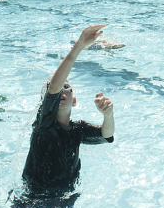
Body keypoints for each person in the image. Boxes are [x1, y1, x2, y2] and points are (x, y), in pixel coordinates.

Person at [21, 24, 115, 197]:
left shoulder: (77, 130)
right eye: (56, 89)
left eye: (67, 87)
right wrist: (79, 46)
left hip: (66, 199)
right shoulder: (44, 123)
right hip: (32, 198)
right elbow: (54, 88)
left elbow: (106, 135)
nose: (61, 91)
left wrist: (108, 115)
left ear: (74, 100)